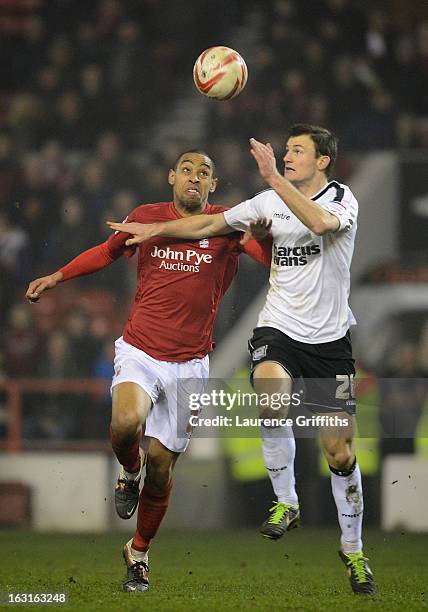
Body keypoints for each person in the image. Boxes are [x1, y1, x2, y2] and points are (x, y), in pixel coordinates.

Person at [107, 124, 376, 595]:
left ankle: (353, 550)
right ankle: (286, 501)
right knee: (270, 393)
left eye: (297, 151)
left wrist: (274, 178)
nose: (287, 156)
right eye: (286, 151)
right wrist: (158, 229)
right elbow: (210, 223)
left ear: (323, 161)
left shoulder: (341, 199)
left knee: (339, 451)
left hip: (331, 343)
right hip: (279, 329)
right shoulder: (267, 201)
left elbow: (317, 224)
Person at [25, 150, 271, 593]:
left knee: (163, 469)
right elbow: (106, 251)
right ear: (172, 177)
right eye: (189, 170)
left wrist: (268, 238)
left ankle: (138, 552)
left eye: (205, 173)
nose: (196, 177)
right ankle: (128, 469)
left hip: (190, 364)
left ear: (213, 186)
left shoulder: (228, 224)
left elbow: (269, 260)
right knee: (125, 423)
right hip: (140, 350)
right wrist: (57, 277)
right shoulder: (146, 217)